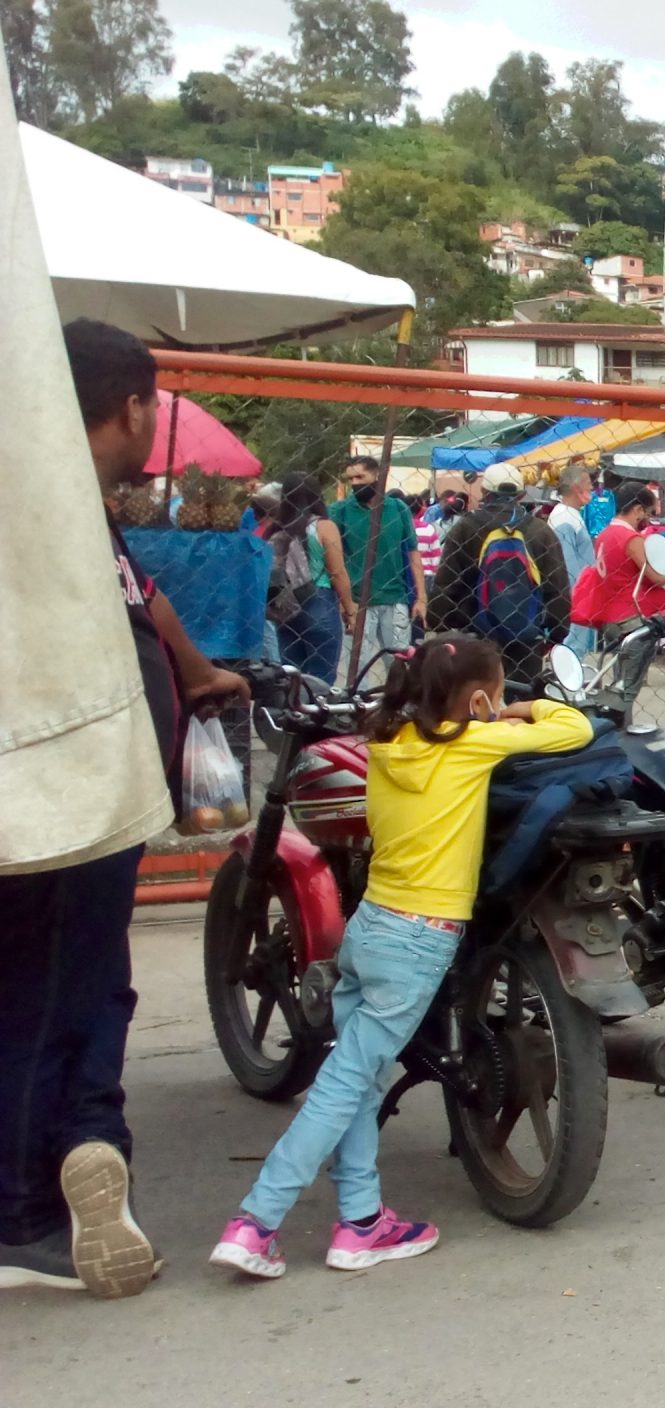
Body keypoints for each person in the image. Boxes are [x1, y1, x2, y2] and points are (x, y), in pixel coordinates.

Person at [211, 636, 593, 1280]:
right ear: (477, 699)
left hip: (370, 928)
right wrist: (517, 713)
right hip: (420, 938)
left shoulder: (383, 741)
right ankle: (257, 1221)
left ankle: (360, 1222)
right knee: (342, 1084)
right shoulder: (473, 743)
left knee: (353, 1074)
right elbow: (574, 726)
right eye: (496, 693)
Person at [0, 320, 249, 1298]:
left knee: (92, 984)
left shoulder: (71, 499)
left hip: (92, 793)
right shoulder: (39, 497)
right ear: (135, 406)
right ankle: (24, 1213)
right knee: (49, 990)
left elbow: (139, 598)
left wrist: (193, 672)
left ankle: (89, 1148)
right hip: (59, 794)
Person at [427, 462, 570, 689]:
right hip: (525, 637)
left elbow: (446, 583)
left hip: (475, 635)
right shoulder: (540, 531)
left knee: (476, 703)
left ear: (484, 492)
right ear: (521, 494)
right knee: (521, 706)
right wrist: (556, 633)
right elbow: (558, 588)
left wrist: (440, 623)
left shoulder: (466, 528)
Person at [330, 454, 426, 690]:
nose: (355, 483)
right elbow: (334, 558)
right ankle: (358, 711)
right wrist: (344, 604)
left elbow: (414, 555)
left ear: (378, 476)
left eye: (360, 476)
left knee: (399, 663)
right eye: (350, 478)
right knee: (358, 668)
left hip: (396, 599)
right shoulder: (341, 511)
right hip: (358, 602)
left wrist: (421, 598)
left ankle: (401, 706)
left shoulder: (397, 508)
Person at [265, 473, 354, 682]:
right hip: (319, 600)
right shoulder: (324, 526)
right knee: (321, 678)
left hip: (286, 606)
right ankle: (318, 711)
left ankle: (292, 712)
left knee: (291, 676)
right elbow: (337, 572)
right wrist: (350, 609)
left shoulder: (275, 530)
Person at [588, 484, 665, 648]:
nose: (648, 519)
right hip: (631, 616)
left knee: (620, 667)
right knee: (634, 671)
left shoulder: (604, 535)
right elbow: (656, 577)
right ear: (638, 510)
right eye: (648, 513)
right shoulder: (631, 539)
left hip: (609, 614)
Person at [547, 465, 599, 656]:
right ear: (577, 488)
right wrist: (578, 595)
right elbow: (567, 563)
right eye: (588, 483)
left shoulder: (571, 515)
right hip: (576, 596)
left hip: (582, 594)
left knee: (578, 646)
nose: (592, 488)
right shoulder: (564, 519)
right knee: (573, 647)